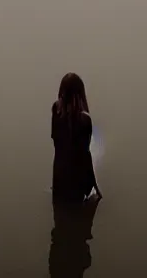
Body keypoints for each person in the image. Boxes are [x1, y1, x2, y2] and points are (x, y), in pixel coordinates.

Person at [50, 73, 102, 204]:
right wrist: (95, 186)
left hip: (58, 180)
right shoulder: (84, 120)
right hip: (77, 185)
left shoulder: (56, 110)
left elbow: (55, 142)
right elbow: (86, 156)